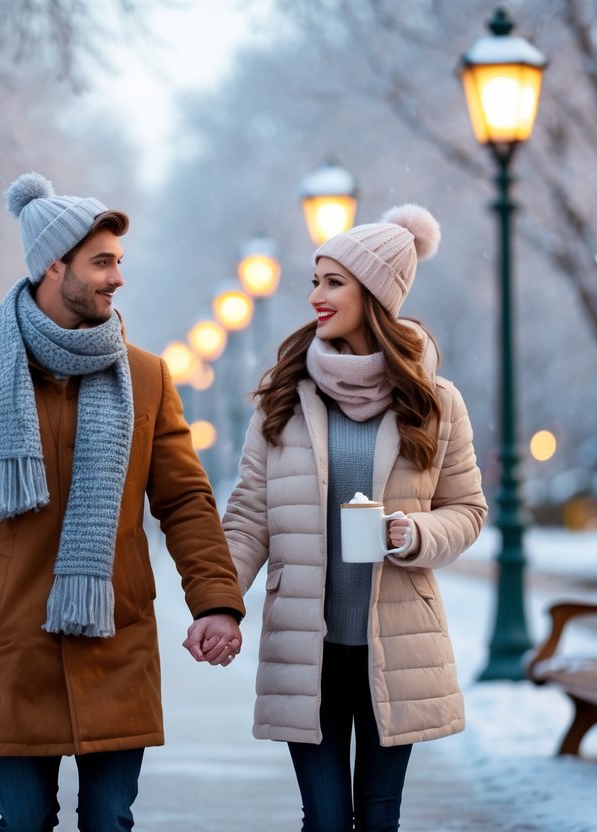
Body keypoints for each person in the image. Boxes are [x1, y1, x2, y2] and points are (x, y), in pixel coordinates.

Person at [0, 172, 245, 832]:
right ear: (53, 265)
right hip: (14, 647)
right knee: (24, 822)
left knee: (109, 822)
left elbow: (184, 501)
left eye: (118, 262)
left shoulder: (145, 377)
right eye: (102, 262)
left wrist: (216, 601)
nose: (117, 278)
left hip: (115, 643)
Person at [220, 203, 488, 831]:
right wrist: (218, 602)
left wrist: (418, 533)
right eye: (315, 280)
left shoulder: (434, 400)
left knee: (378, 818)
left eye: (333, 282)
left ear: (373, 294)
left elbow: (468, 510)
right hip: (303, 642)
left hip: (395, 646)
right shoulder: (285, 394)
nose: (315, 295)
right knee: (326, 821)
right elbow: (249, 515)